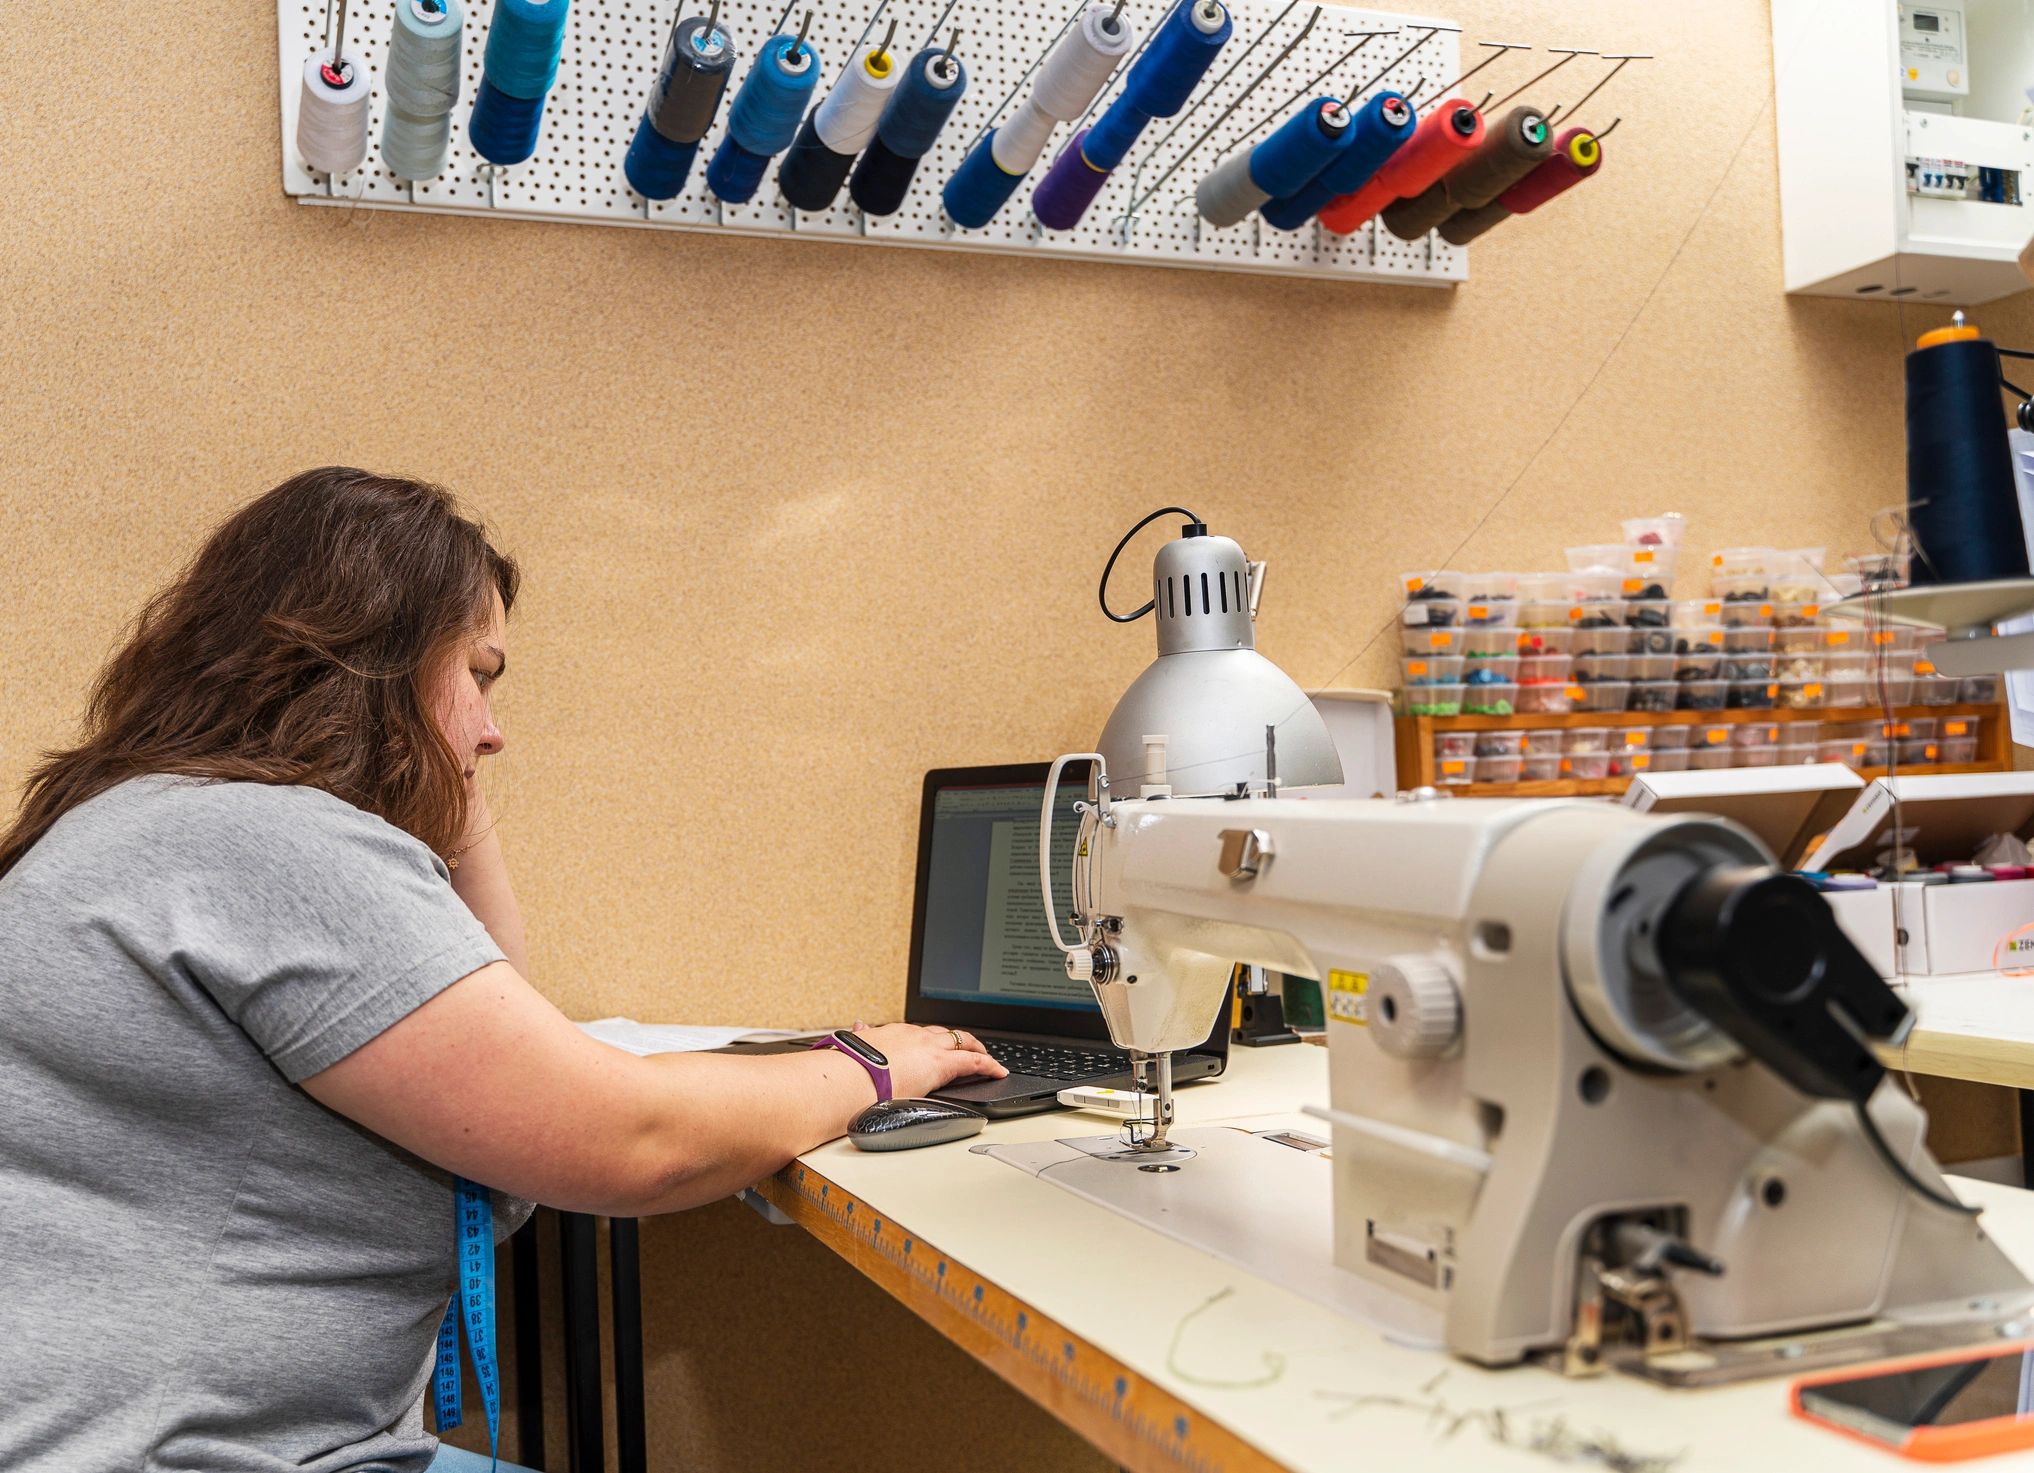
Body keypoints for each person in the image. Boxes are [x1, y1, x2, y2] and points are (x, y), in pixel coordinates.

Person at [0, 467, 1007, 1473]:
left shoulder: (153, 820)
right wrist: (874, 1066)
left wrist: (448, 781)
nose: (495, 726)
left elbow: (505, 1053)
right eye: (479, 673)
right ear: (376, 662)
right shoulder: (268, 845)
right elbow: (632, 1145)